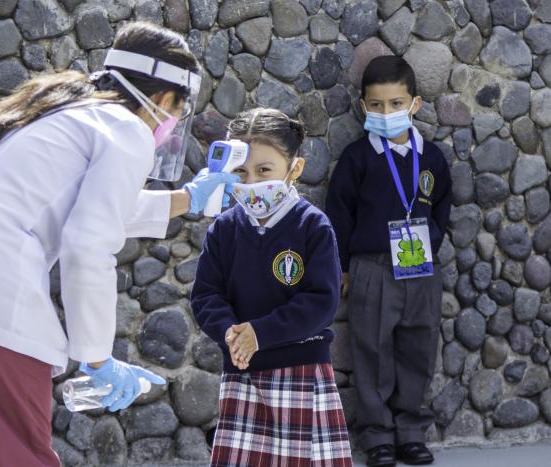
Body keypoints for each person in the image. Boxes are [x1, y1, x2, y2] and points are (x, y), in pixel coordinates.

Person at [0, 22, 238, 467]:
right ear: (164, 100)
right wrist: (97, 357)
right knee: (22, 458)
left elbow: (76, 203)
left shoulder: (49, 111)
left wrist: (187, 200)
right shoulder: (126, 128)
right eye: (176, 113)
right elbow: (89, 241)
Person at [191, 108, 353, 467]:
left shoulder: (313, 226)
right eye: (241, 173)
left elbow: (321, 302)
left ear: (294, 169)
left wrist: (259, 333)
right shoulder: (225, 229)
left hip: (301, 372)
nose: (251, 182)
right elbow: (206, 295)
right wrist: (231, 334)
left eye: (264, 170)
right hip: (242, 371)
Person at [325, 56, 452, 467]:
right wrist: (343, 267)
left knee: (418, 349)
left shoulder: (430, 158)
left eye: (396, 104)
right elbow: (339, 214)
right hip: (373, 268)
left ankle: (411, 432)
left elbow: (443, 208)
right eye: (377, 105)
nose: (386, 113)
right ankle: (377, 436)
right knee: (372, 351)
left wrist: (431, 245)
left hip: (421, 268)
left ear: (413, 104)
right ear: (364, 107)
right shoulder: (357, 158)